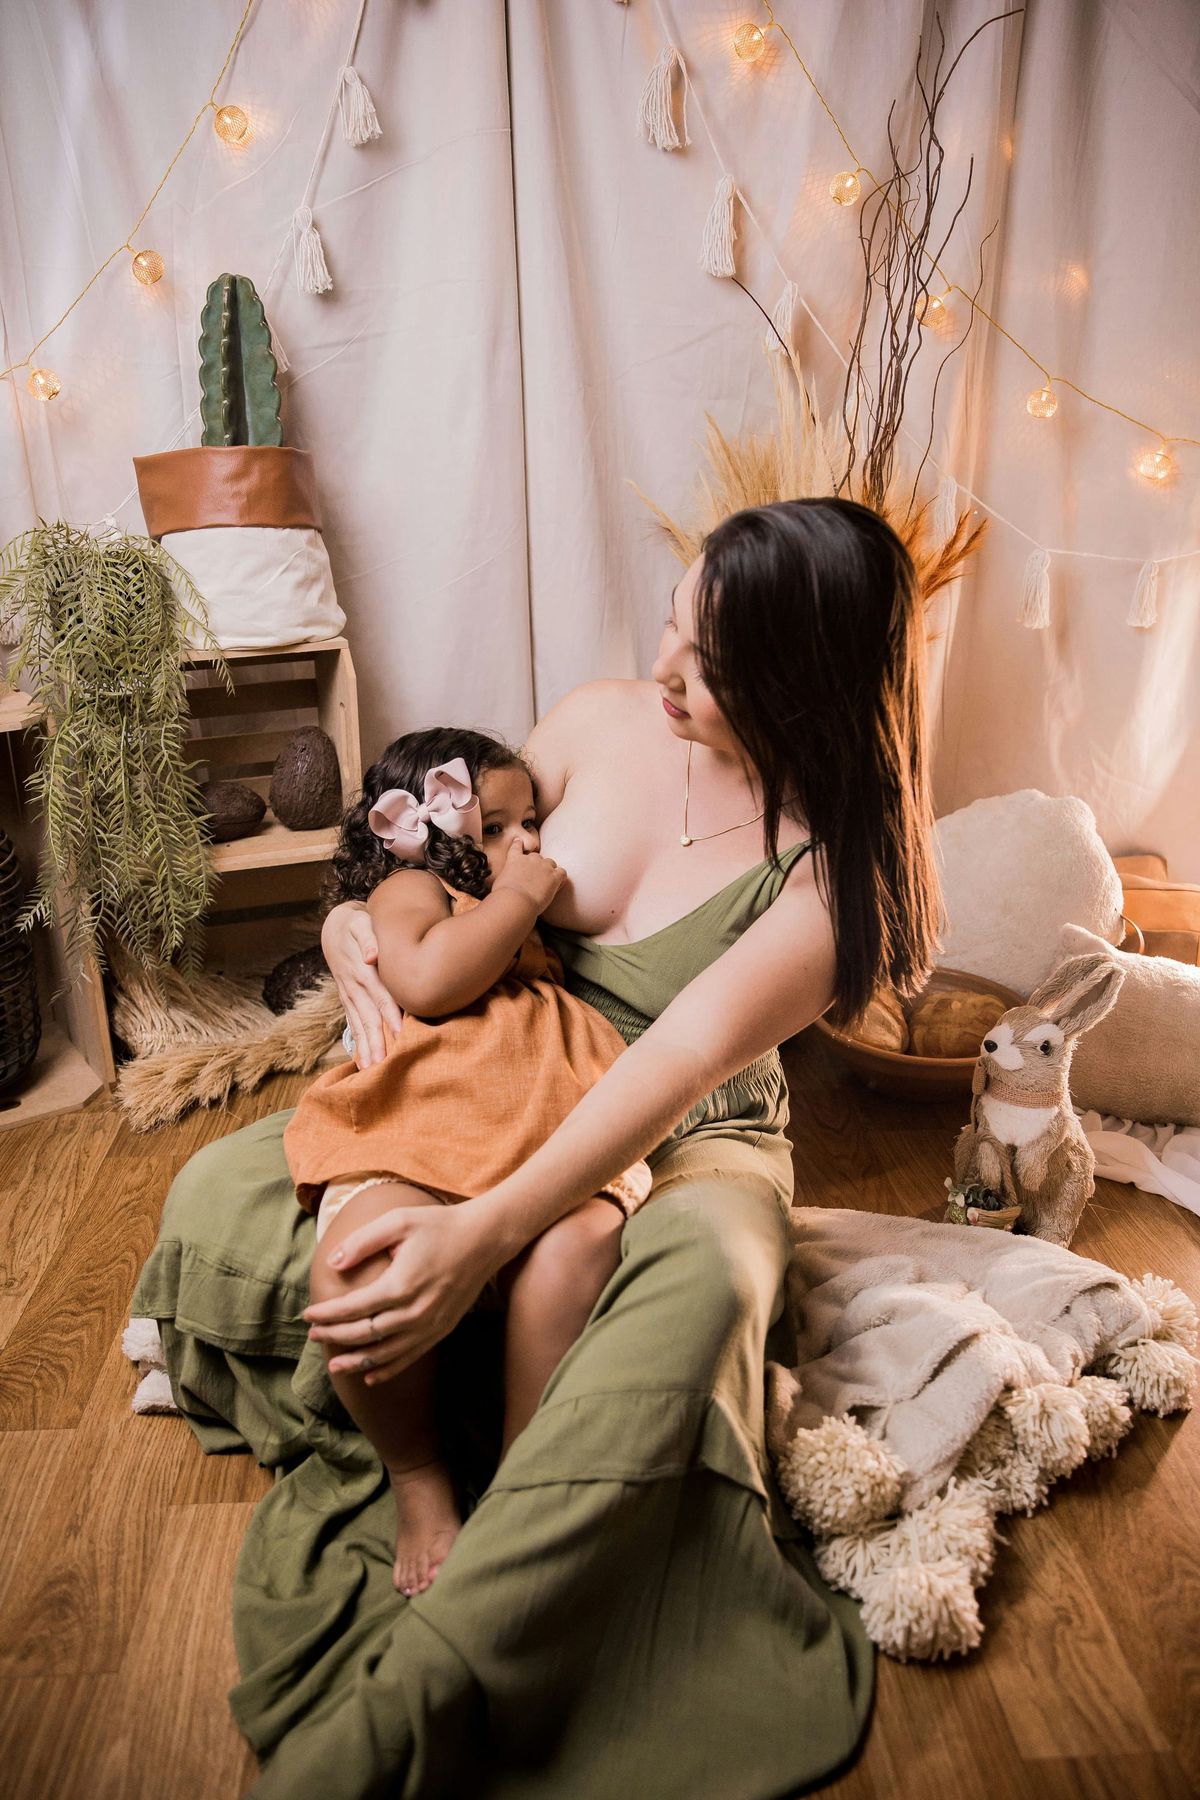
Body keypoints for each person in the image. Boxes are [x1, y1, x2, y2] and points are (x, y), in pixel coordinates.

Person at [132, 497, 942, 1798]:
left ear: (804, 682)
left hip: (688, 1136)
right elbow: (434, 856)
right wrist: (352, 927)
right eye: (673, 630)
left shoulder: (832, 880)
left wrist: (485, 1230)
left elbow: (676, 1065)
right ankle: (432, 1449)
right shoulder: (599, 721)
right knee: (228, 1188)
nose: (665, 675)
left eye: (710, 666)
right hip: (505, 1063)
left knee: (703, 1291)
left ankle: (472, 1638)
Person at [285, 725, 653, 1598]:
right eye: (493, 827)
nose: (525, 844)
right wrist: (515, 902)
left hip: (548, 1125)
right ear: (419, 833)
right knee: (353, 1272)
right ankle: (419, 1476)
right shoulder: (416, 890)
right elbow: (428, 982)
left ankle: (524, 1478)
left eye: (531, 823)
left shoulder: (522, 922)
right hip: (421, 1120)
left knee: (573, 1250)